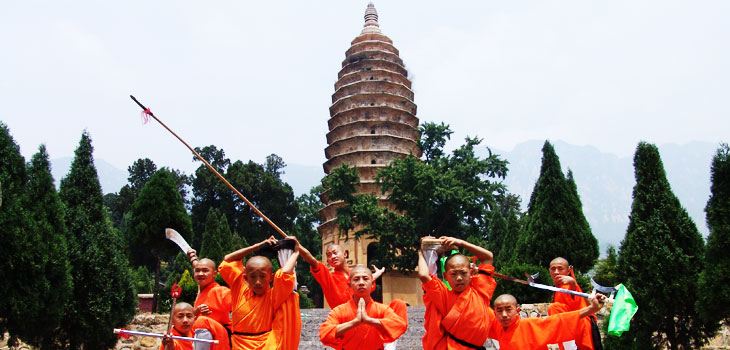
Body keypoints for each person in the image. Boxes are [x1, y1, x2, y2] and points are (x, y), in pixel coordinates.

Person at [299, 243, 407, 349]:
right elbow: (312, 261)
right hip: (346, 320)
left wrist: (375, 275)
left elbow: (364, 283)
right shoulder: (328, 278)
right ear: (350, 284)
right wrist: (298, 247)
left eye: (335, 253)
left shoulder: (356, 275)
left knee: (399, 305)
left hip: (369, 315)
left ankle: (389, 345)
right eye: (329, 255)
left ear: (345, 254)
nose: (332, 257)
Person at [218, 236, 300, 350]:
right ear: (245, 276)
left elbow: (285, 274)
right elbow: (227, 260)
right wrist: (257, 246)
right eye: (252, 276)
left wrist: (296, 253)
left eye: (262, 276)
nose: (257, 282)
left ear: (271, 277)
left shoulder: (273, 295)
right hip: (238, 343)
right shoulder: (239, 289)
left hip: (265, 345)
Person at [417, 236, 497, 350]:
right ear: (445, 276)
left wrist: (461, 243)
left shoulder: (480, 291)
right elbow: (424, 275)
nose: (459, 278)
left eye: (463, 273)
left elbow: (488, 257)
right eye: (453, 274)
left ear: (471, 273)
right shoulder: (443, 296)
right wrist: (422, 252)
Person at [319, 265, 408, 350]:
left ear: (373, 284)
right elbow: (325, 333)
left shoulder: (382, 309)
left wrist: (369, 320)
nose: (361, 283)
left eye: (365, 279)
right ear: (349, 284)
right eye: (356, 279)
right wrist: (355, 322)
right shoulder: (339, 311)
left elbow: (400, 325)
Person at [488, 293, 606, 350]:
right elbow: (477, 307)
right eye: (499, 310)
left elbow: (559, 320)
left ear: (517, 310)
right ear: (495, 312)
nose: (504, 315)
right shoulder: (497, 327)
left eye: (508, 309)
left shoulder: (530, 325)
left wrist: (591, 309)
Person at [547, 257, 601, 350]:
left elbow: (576, 298)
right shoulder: (558, 289)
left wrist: (572, 283)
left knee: (554, 307)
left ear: (568, 271)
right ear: (549, 271)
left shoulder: (569, 286)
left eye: (560, 268)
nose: (556, 272)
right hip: (570, 331)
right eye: (553, 269)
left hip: (581, 330)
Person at [185, 251, 232, 350]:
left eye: (205, 270)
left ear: (214, 274)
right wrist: (193, 257)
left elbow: (241, 304)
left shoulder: (221, 291)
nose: (200, 274)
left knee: (203, 321)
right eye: (197, 271)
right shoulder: (202, 291)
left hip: (222, 339)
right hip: (201, 338)